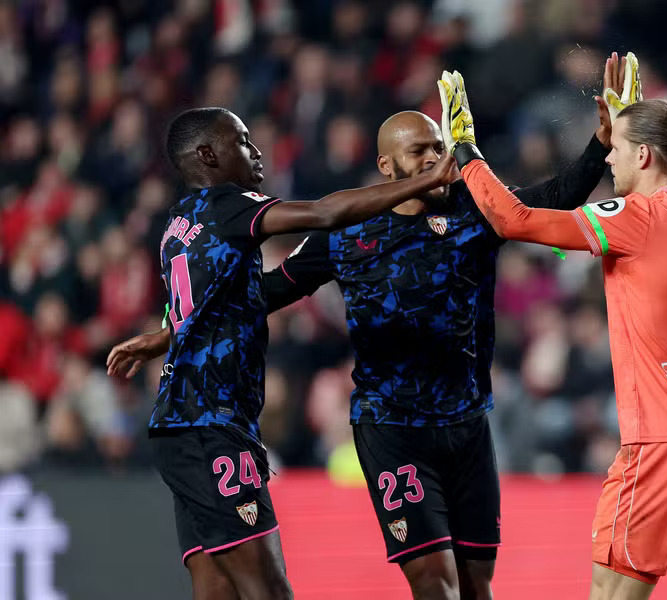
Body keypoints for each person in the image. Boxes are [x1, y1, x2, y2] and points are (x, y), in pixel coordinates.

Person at [109, 58, 623, 598]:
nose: (436, 157)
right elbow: (271, 289)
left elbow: (552, 199)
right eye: (420, 151)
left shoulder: (477, 208)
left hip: (468, 421)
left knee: (476, 584)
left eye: (439, 146)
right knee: (434, 583)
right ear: (387, 165)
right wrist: (174, 331)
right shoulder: (350, 231)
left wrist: (600, 145)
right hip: (390, 425)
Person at [109, 106, 454, 600]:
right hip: (213, 427)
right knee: (268, 592)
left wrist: (165, 334)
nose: (257, 152)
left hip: (179, 426)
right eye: (243, 141)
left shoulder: (179, 221)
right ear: (208, 154)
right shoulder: (231, 206)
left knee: (217, 593)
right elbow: (324, 214)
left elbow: (205, 297)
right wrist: (421, 183)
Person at [438, 61, 667, 600]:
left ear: (645, 156)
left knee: (609, 592)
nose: (608, 157)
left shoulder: (636, 219)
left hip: (663, 444)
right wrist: (627, 119)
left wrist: (465, 149)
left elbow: (514, 220)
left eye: (618, 148)